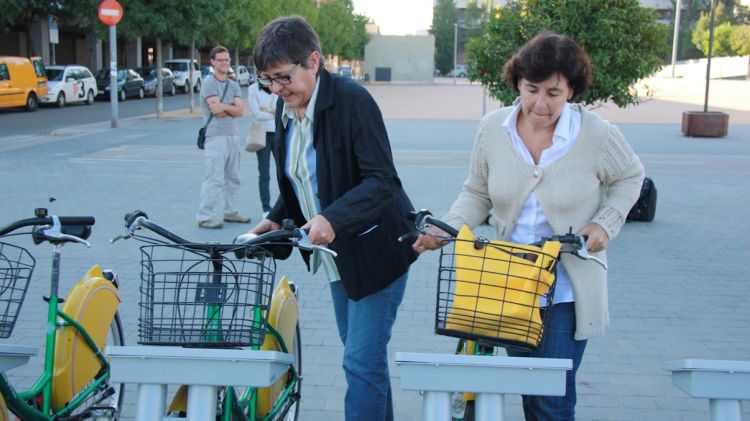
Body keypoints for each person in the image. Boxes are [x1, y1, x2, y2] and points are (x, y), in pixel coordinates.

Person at [412, 32, 645, 420]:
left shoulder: (597, 134)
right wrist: (446, 227)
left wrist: (606, 223)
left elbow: (630, 176)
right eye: (531, 89)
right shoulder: (493, 129)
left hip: (564, 293)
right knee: (518, 388)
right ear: (517, 83)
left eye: (553, 93)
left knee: (548, 403)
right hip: (506, 287)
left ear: (571, 89)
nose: (540, 104)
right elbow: (476, 192)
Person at [248, 15, 418, 421]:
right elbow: (302, 176)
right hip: (337, 256)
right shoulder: (284, 105)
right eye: (267, 80)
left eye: (283, 77)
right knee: (363, 362)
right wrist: (276, 217)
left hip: (379, 252)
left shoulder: (351, 100)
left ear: (314, 60)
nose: (276, 88)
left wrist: (332, 219)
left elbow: (383, 180)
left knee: (360, 362)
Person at [196, 45, 251, 229]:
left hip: (233, 136)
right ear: (212, 62)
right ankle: (205, 216)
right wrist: (230, 108)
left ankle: (231, 211)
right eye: (220, 60)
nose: (224, 63)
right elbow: (216, 111)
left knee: (234, 177)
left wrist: (225, 106)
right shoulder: (209, 83)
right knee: (214, 178)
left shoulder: (234, 85)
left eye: (227, 60)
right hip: (215, 137)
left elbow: (241, 110)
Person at [247, 81, 278, 218]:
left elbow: (284, 110)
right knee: (264, 173)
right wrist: (273, 112)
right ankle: (266, 208)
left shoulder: (278, 84)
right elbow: (256, 113)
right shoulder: (253, 89)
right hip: (262, 134)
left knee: (285, 172)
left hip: (279, 132)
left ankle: (287, 205)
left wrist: (267, 110)